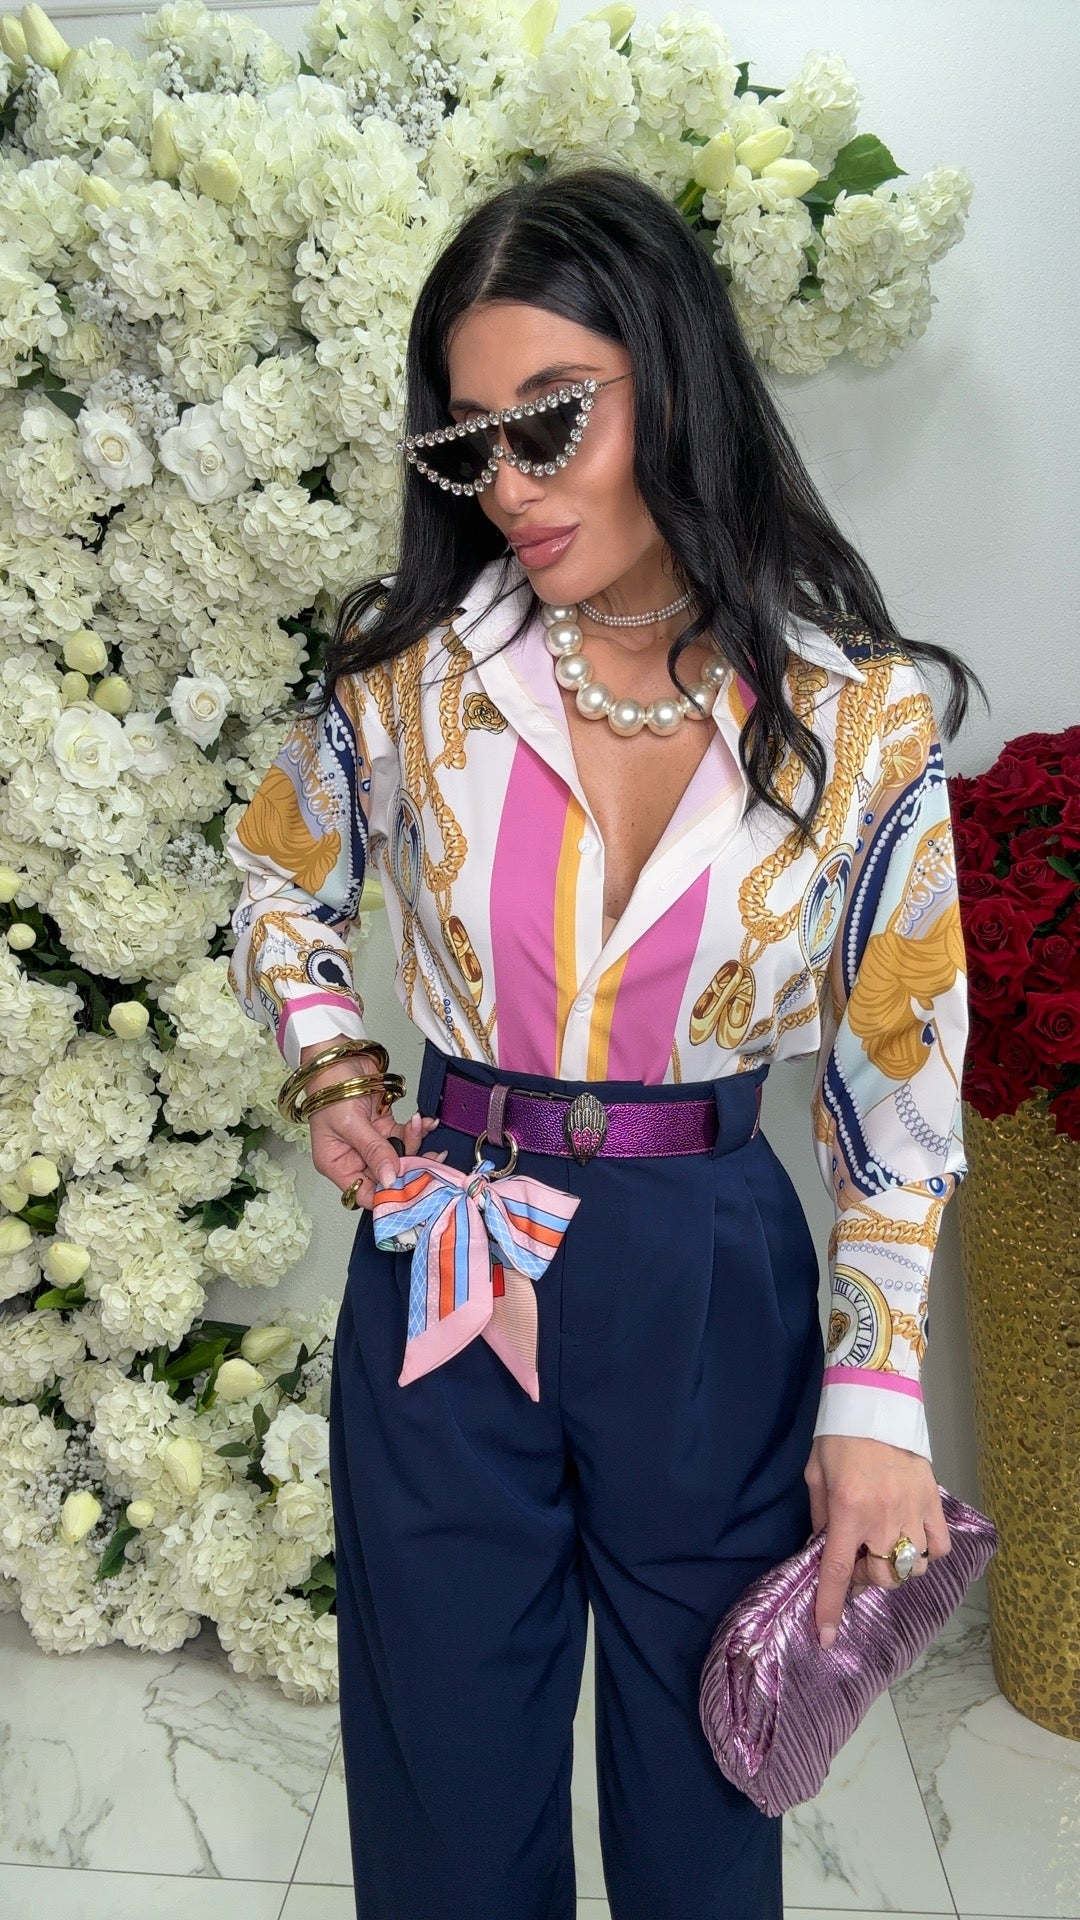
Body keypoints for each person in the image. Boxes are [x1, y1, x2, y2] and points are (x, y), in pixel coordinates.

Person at [225, 163, 984, 1920]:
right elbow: (279, 875)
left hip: (704, 1270)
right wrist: (336, 1063)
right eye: (467, 445)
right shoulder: (408, 673)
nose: (507, 483)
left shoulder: (861, 717)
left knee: (708, 1790)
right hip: (447, 1247)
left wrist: (877, 1397)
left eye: (550, 420)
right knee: (445, 1777)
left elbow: (897, 1081)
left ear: (674, 374)